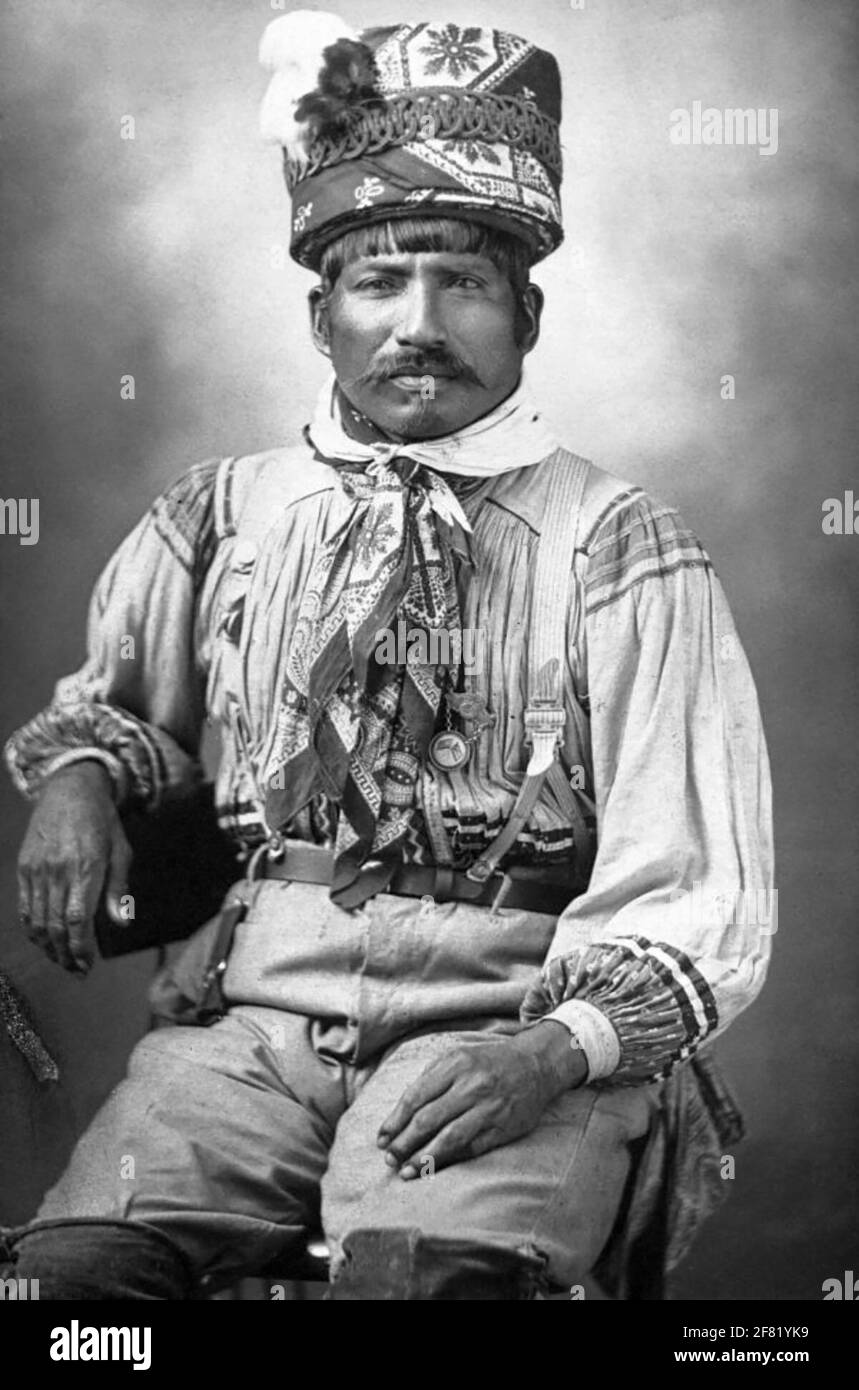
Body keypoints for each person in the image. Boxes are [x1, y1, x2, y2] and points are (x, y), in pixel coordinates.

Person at [1, 14, 772, 1300]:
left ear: (525, 311)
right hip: (253, 1025)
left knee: (428, 1292)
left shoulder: (619, 540)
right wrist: (79, 780)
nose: (419, 324)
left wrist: (556, 1051)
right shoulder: (224, 512)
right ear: (322, 317)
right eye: (379, 281)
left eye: (462, 282)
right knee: (71, 1301)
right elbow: (111, 703)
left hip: (506, 1022)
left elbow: (699, 874)